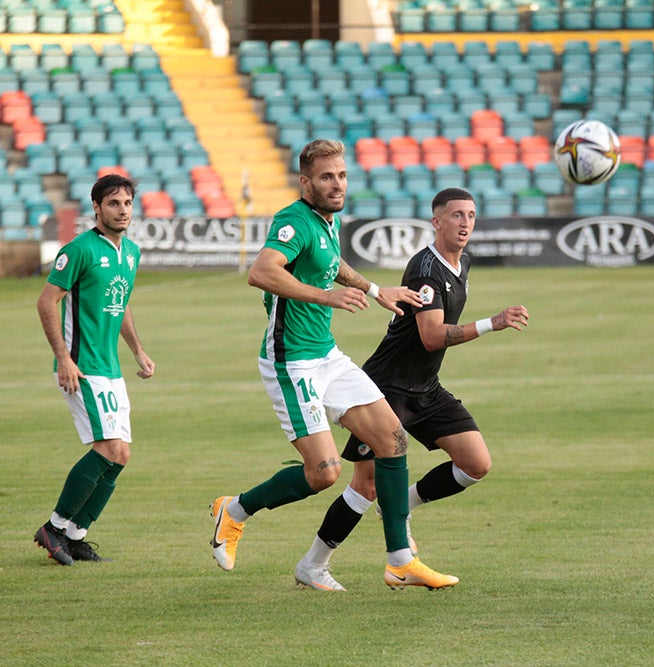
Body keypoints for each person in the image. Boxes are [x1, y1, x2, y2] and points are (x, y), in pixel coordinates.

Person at [209, 138, 458, 590]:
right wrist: (326, 296)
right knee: (324, 473)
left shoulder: (327, 219)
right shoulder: (293, 220)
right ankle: (235, 510)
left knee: (392, 439)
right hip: (292, 362)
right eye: (326, 177)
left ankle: (400, 560)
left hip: (326, 355)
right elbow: (261, 272)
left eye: (342, 175)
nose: (337, 183)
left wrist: (372, 288)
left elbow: (330, 263)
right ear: (305, 182)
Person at [293, 188, 530, 591]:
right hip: (386, 389)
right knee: (364, 485)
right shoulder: (425, 269)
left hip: (425, 387)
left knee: (476, 463)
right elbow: (432, 337)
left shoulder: (462, 262)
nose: (465, 223)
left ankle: (399, 507)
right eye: (456, 215)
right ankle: (313, 565)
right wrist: (493, 322)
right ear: (436, 222)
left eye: (471, 215)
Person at [33, 174, 155, 565]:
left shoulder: (131, 253)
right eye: (113, 203)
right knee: (109, 448)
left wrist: (137, 350)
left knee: (121, 456)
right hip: (82, 367)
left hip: (111, 368)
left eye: (127, 203)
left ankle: (75, 535)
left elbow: (120, 304)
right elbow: (46, 302)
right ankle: (53, 528)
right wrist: (64, 359)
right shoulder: (78, 250)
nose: (122, 210)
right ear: (97, 209)